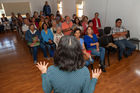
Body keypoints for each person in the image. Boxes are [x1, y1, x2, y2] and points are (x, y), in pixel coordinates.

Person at [36, 36, 102, 93]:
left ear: (59, 51)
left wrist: (44, 73)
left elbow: (47, 91)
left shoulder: (51, 70)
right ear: (78, 52)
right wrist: (94, 79)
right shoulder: (84, 71)